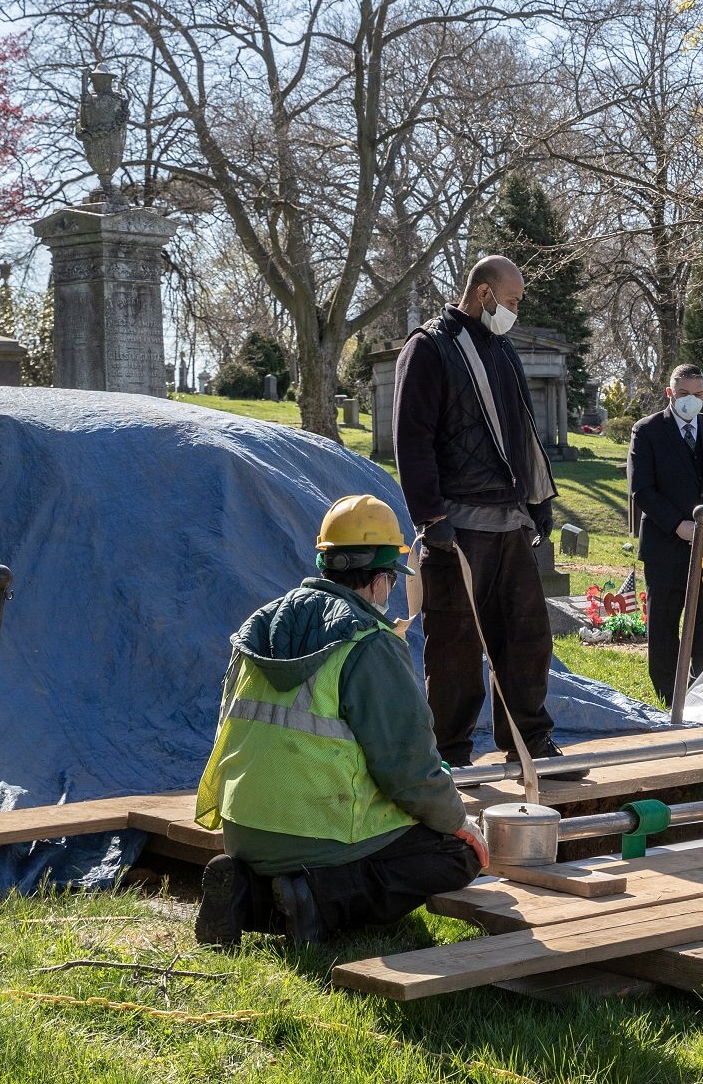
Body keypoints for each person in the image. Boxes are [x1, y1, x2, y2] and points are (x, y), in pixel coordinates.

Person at [193, 495, 486, 947]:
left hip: (242, 828)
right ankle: (314, 897)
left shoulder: (261, 625)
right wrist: (458, 821)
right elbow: (408, 769)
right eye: (392, 581)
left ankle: (248, 893)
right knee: (453, 855)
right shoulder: (368, 643)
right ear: (381, 580)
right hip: (314, 834)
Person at [392, 255, 580, 777]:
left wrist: (538, 502)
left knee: (527, 637)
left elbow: (521, 429)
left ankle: (531, 744)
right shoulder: (429, 348)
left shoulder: (501, 349)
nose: (516, 311)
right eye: (513, 301)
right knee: (454, 646)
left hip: (509, 524)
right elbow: (413, 439)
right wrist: (430, 516)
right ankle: (449, 754)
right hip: (457, 528)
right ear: (484, 295)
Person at [628, 364, 703, 705]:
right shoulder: (647, 431)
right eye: (682, 394)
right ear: (670, 393)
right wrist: (678, 525)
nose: (689, 401)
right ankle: (670, 694)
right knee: (664, 623)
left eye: (696, 395)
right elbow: (642, 489)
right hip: (666, 545)